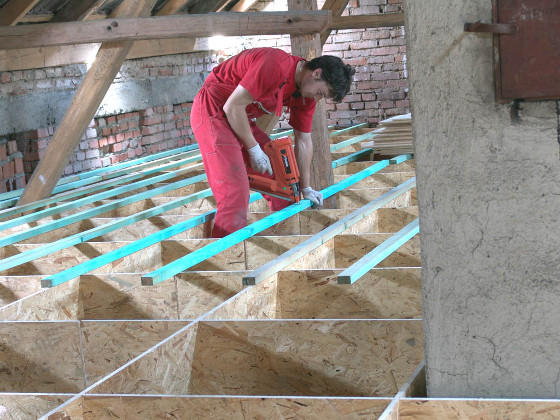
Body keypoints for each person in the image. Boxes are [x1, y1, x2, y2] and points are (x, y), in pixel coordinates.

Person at [190, 47, 355, 238]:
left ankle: (283, 245)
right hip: (213, 109)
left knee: (286, 185)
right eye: (320, 92)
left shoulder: (305, 94)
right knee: (235, 192)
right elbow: (232, 106)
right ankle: (224, 253)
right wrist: (254, 149)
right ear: (316, 73)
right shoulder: (275, 64)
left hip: (239, 117)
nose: (317, 99)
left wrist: (305, 187)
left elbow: (303, 141)